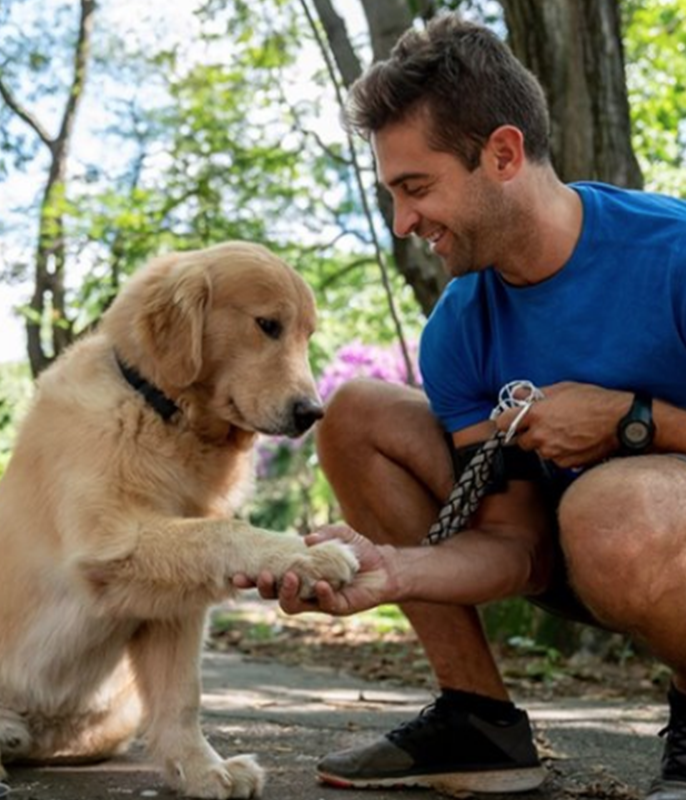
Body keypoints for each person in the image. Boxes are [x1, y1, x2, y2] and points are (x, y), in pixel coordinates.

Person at [233, 13, 686, 799]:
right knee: (358, 414)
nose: (404, 223)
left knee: (610, 510)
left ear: (503, 154)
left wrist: (632, 420)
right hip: (583, 555)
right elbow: (521, 550)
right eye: (392, 195)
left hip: (643, 532)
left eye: (416, 188)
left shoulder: (672, 256)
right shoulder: (461, 325)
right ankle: (479, 721)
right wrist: (394, 570)